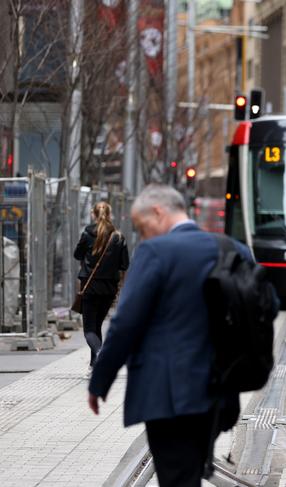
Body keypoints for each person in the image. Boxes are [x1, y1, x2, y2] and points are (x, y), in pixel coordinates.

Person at [87, 185, 254, 487]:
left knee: (177, 477)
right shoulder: (234, 250)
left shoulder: (155, 252)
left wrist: (100, 380)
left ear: (159, 212)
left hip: (167, 394)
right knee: (189, 472)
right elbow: (261, 310)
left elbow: (126, 322)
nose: (143, 235)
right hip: (218, 394)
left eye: (142, 227)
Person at [74, 201, 129, 375]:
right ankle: (94, 365)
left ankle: (100, 354)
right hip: (109, 288)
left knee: (89, 329)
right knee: (97, 325)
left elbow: (77, 255)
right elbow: (124, 264)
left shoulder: (87, 233)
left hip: (90, 286)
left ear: (93, 214)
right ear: (110, 215)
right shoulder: (118, 236)